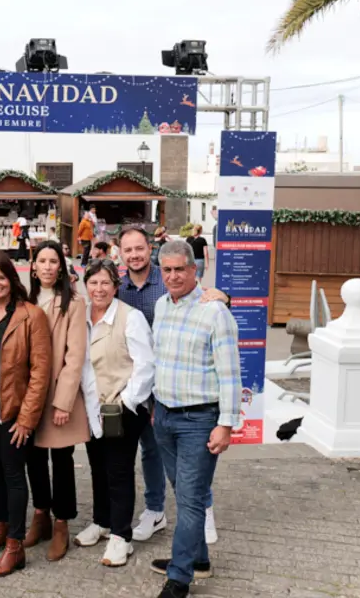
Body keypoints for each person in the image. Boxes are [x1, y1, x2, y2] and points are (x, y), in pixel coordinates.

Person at [116, 226, 229, 547]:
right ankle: (155, 510)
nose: (134, 255)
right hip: (133, 384)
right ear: (120, 253)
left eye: (139, 248)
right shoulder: (118, 286)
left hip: (172, 384)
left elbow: (203, 299)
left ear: (148, 249)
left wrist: (225, 296)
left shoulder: (168, 276)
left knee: (183, 457)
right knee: (148, 452)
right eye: (128, 250)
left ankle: (203, 509)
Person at [148, 239, 241, 598]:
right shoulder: (161, 305)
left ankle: (180, 577)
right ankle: (197, 559)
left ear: (194, 269)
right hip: (165, 417)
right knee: (187, 493)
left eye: (179, 270)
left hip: (200, 421)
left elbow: (231, 374)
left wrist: (226, 423)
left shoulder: (215, 312)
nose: (172, 276)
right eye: (166, 270)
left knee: (189, 498)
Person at [0, 250, 52, 577]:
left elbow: (40, 372)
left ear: (11, 279)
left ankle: (15, 546)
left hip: (14, 410)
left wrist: (27, 418)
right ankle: (1, 529)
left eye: (1, 277)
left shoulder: (32, 316)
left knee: (15, 473)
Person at [75, 258, 155, 567]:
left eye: (105, 283)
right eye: (93, 282)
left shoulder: (130, 318)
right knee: (97, 466)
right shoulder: (80, 317)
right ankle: (102, 521)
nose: (99, 289)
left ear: (115, 286)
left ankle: (122, 536)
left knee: (119, 470)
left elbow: (145, 365)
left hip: (122, 408)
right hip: (92, 407)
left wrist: (128, 402)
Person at [25, 241, 89, 562]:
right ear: (33, 266)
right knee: (33, 458)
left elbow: (75, 355)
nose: (48, 267)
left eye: (54, 261)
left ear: (61, 267)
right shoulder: (24, 300)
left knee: (61, 460)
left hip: (58, 393)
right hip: (30, 394)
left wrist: (64, 401)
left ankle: (62, 522)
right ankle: (41, 515)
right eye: (42, 261)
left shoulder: (73, 303)